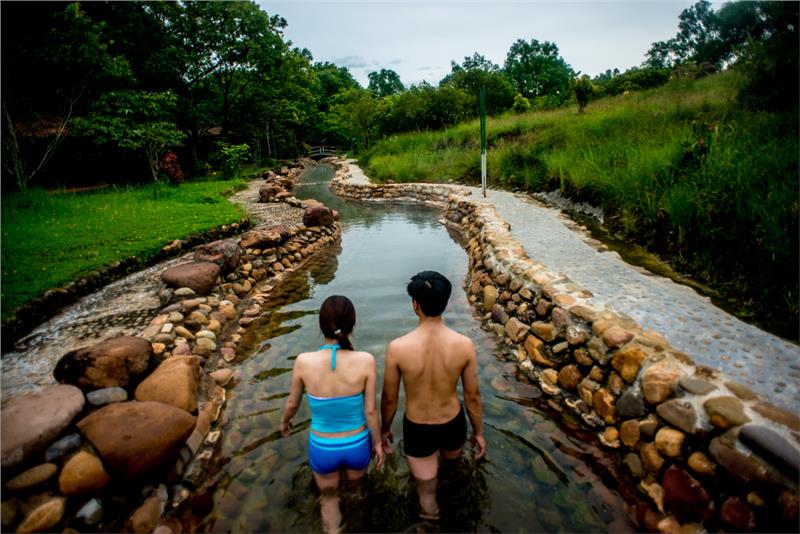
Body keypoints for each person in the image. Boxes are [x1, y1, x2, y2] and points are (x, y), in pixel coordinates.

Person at [380, 270, 486, 521]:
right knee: (452, 473)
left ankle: (430, 523)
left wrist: (384, 430)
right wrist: (479, 432)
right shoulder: (464, 345)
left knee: (426, 492)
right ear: (445, 302)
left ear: (415, 304)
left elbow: (389, 399)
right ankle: (458, 515)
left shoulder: (398, 348)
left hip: (418, 428)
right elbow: (472, 396)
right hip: (453, 423)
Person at [280, 295, 383, 534]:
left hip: (323, 446)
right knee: (357, 494)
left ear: (320, 324)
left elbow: (292, 403)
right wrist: (377, 443)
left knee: (328, 499)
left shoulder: (304, 362)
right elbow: (370, 410)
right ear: (352, 324)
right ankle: (358, 525)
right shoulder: (365, 360)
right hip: (357, 444)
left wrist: (285, 422)